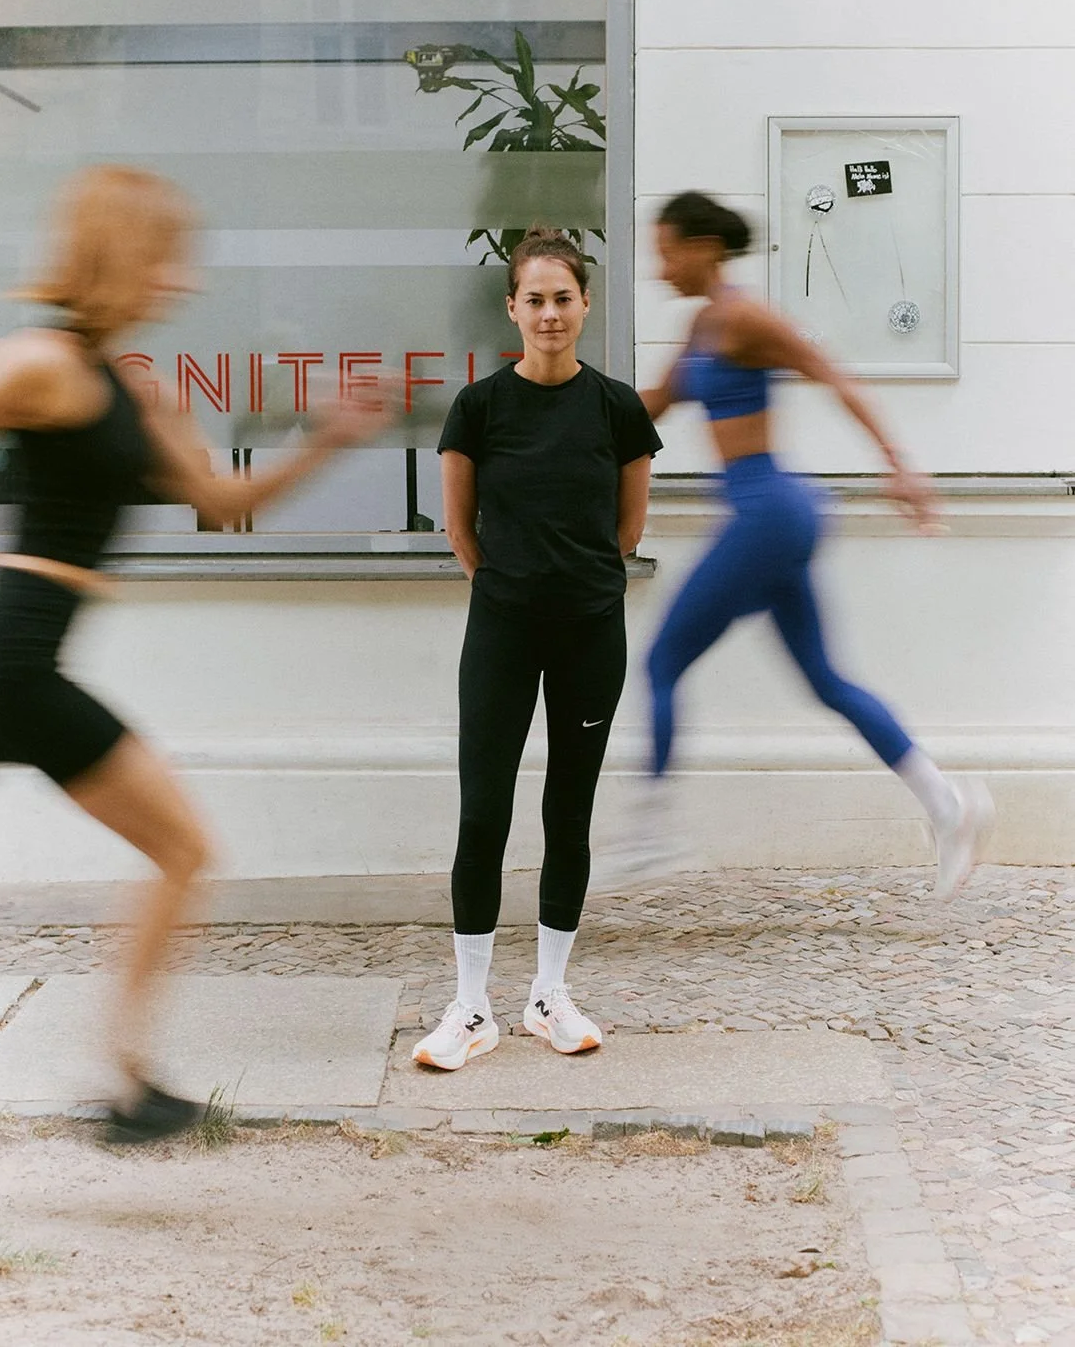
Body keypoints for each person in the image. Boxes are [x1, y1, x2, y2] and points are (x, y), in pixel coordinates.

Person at [0, 165, 389, 1141]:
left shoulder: (132, 393)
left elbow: (221, 506)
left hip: (12, 655)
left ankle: (128, 1076)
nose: (180, 282)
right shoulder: (41, 362)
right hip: (18, 656)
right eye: (166, 258)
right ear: (120, 254)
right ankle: (128, 1080)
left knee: (181, 851)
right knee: (184, 849)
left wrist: (327, 440)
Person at [601, 191, 990, 900]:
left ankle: (649, 831)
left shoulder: (747, 318)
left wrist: (899, 466)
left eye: (665, 252)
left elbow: (834, 375)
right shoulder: (701, 329)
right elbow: (645, 408)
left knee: (661, 661)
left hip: (768, 512)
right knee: (825, 681)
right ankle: (947, 803)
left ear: (703, 247)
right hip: (774, 516)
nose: (660, 270)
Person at [411, 227, 663, 1070]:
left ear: (584, 305)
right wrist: (513, 587)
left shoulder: (618, 408)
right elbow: (459, 528)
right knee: (483, 808)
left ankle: (549, 995)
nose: (549, 313)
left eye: (564, 298)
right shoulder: (478, 408)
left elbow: (628, 529)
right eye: (535, 299)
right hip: (503, 629)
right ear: (511, 308)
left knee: (570, 806)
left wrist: (576, 584)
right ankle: (471, 1006)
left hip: (592, 628)